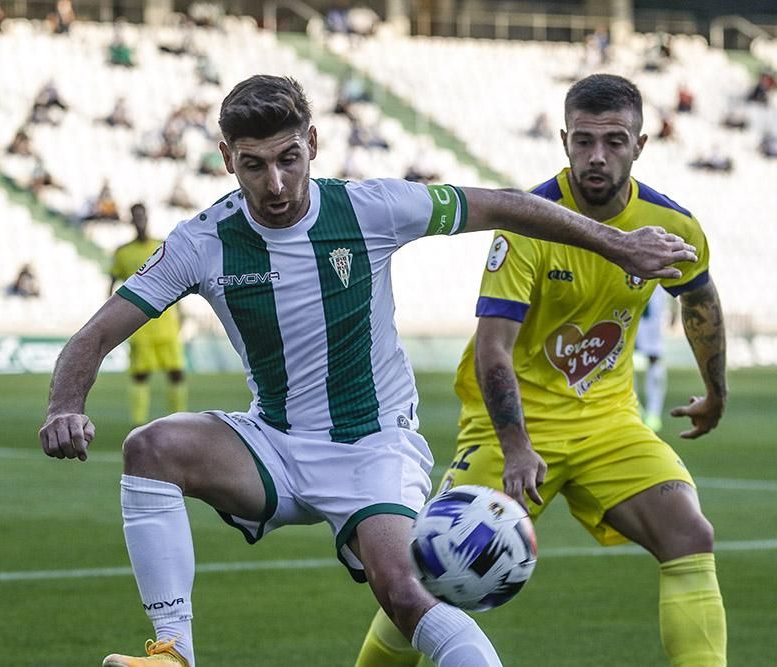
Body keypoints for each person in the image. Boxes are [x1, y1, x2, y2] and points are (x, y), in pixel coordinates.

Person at [38, 75, 695, 667]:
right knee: (151, 448)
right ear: (226, 161)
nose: (274, 184)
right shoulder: (202, 240)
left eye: (288, 159)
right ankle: (173, 654)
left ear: (314, 144)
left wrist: (619, 240)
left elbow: (501, 204)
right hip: (274, 440)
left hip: (372, 445)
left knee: (406, 594)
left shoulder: (371, 207)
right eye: (254, 165)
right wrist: (64, 403)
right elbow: (96, 334)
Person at [356, 74, 726, 667]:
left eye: (613, 140)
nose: (596, 156)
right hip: (513, 430)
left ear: (640, 144)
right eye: (583, 141)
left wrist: (715, 392)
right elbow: (492, 348)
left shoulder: (672, 224)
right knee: (428, 571)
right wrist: (517, 444)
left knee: (691, 536)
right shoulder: (531, 221)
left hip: (609, 422)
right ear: (563, 139)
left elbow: (700, 300)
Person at [108, 203, 187, 427]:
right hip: (138, 323)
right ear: (131, 220)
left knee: (176, 372)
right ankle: (138, 421)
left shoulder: (162, 245)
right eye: (136, 217)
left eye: (142, 216)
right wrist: (114, 316)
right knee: (141, 374)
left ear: (147, 217)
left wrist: (182, 311)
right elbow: (112, 284)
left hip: (167, 321)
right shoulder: (122, 253)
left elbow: (178, 280)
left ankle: (178, 419)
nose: (140, 220)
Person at [635, 285, 677, 433]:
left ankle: (654, 413)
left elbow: (676, 276)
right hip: (625, 303)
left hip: (652, 308)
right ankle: (634, 408)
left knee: (654, 357)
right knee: (621, 355)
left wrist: (674, 307)